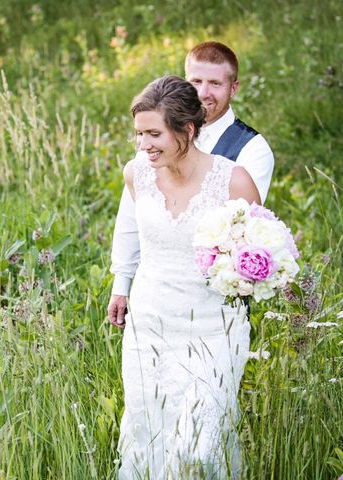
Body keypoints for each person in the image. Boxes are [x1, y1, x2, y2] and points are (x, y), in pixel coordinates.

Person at [114, 75, 261, 478]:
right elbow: (128, 230)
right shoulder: (136, 173)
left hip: (212, 329)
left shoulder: (233, 180)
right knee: (149, 432)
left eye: (154, 134)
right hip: (150, 326)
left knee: (199, 448)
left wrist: (245, 276)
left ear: (188, 129)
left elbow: (259, 255)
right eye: (139, 134)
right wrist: (119, 286)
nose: (144, 145)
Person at [108, 41, 274, 329]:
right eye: (196, 81)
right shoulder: (154, 139)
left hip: (213, 306)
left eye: (215, 83)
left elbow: (244, 234)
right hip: (154, 298)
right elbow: (132, 220)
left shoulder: (252, 150)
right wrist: (122, 283)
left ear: (233, 87)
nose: (203, 93)